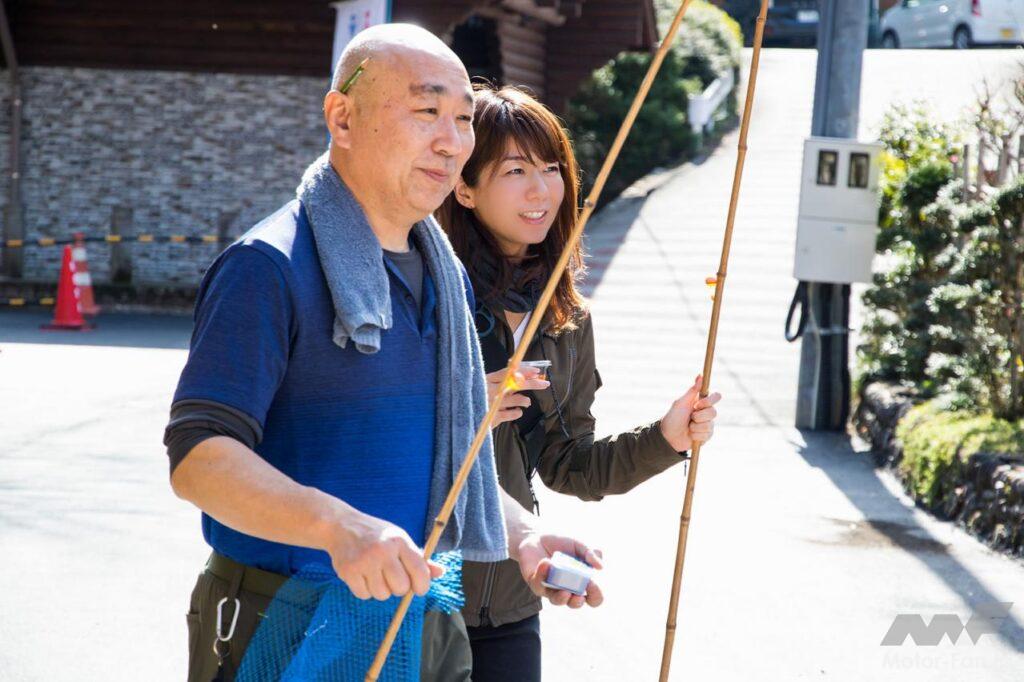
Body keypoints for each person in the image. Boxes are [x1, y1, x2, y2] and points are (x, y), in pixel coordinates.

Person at [163, 27, 602, 682]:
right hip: (286, 623)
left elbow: (443, 460)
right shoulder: (266, 265)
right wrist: (341, 529)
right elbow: (198, 458)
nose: (451, 141)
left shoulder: (446, 276)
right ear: (342, 118)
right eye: (426, 111)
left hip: (421, 620)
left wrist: (522, 538)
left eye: (463, 118)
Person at [436, 85, 722, 681]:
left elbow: (570, 466)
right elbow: (377, 434)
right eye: (515, 171)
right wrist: (464, 407)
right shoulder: (427, 298)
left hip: (512, 603)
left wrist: (666, 438)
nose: (541, 190)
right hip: (421, 596)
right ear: (464, 187)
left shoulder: (566, 318)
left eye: (551, 169)